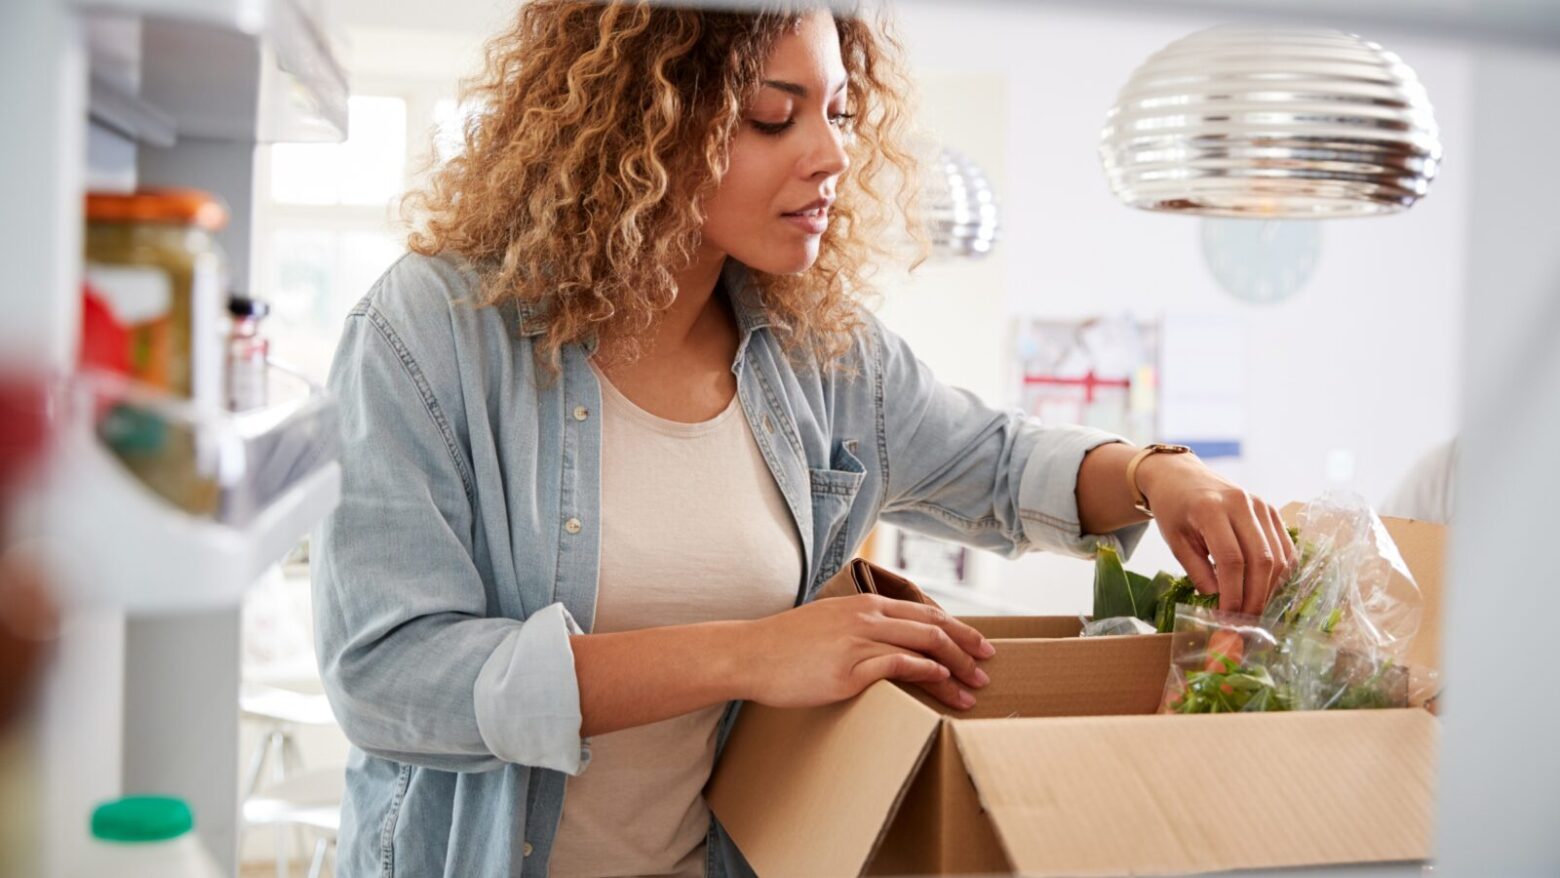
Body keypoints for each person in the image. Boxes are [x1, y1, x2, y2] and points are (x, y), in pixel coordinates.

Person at [312, 4, 1295, 876]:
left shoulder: (820, 355)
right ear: (639, 120)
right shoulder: (432, 328)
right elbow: (388, 677)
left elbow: (1000, 463)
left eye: (839, 114)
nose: (829, 156)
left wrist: (1164, 476)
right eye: (773, 115)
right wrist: (751, 653)